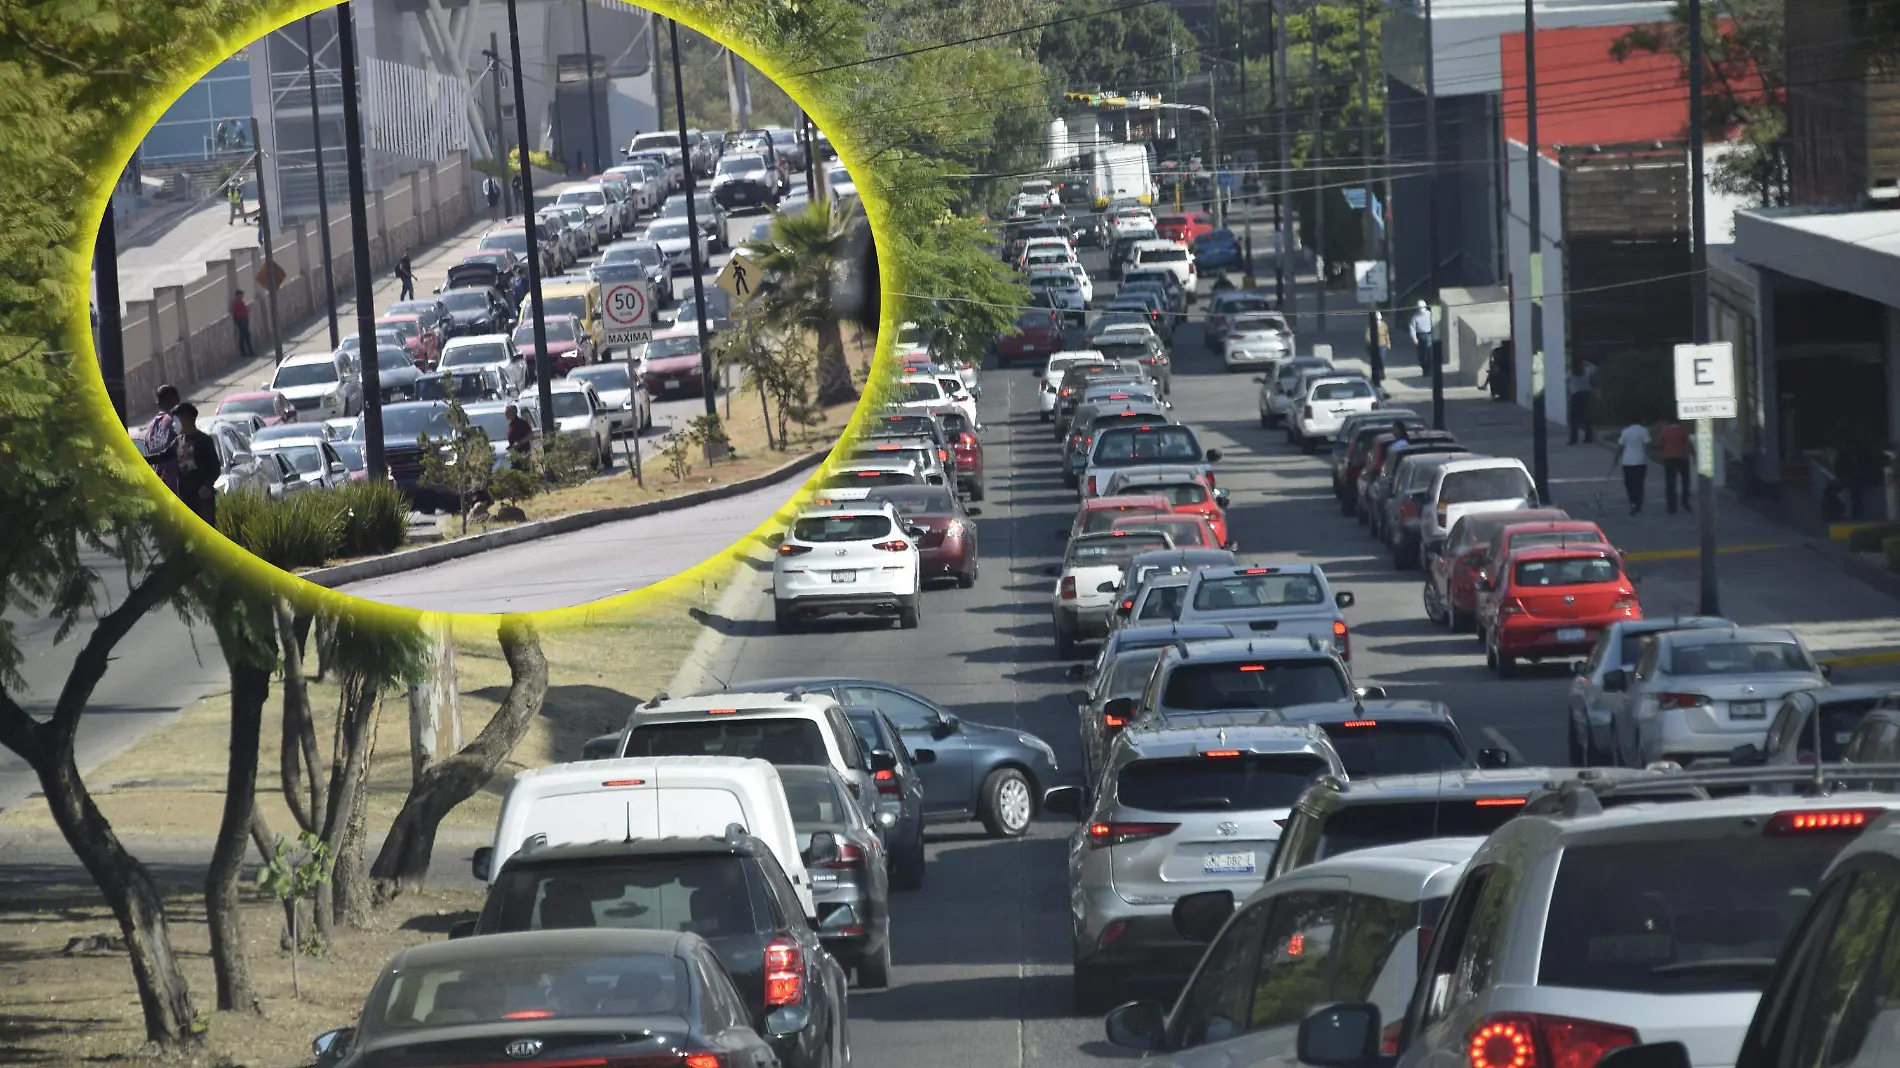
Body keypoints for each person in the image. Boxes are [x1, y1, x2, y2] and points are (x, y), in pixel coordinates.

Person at [172, 402, 221, 524]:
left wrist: (207, 485)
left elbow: (215, 467)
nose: (174, 424)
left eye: (176, 420)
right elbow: (162, 456)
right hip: (184, 498)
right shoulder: (178, 441)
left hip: (202, 501)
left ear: (186, 420)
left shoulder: (204, 440)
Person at [144, 384, 183, 491]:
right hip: (178, 487)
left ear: (158, 403)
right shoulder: (175, 421)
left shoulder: (150, 430)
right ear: (175, 400)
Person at [1610, 419, 1653, 516]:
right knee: (1639, 484)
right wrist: (1649, 456)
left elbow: (1620, 446)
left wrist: (1616, 458)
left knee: (1629, 484)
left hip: (1627, 461)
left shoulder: (1626, 431)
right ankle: (1638, 504)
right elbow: (1648, 444)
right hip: (1640, 461)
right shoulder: (1643, 430)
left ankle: (1632, 502)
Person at [1659, 419, 1693, 514]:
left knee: (1670, 483)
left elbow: (1661, 443)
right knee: (1685, 481)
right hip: (1682, 457)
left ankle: (1671, 506)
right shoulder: (1683, 430)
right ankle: (1685, 502)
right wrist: (1694, 454)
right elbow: (1688, 443)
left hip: (1669, 458)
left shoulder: (1664, 430)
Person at [1847, 437, 1885, 521]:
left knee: (1863, 503)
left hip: (1867, 483)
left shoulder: (1867, 455)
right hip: (1860, 483)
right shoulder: (1860, 455)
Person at [1566, 359, 1598, 445]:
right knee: (1587, 417)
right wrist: (1587, 363)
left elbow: (1566, 379)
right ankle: (1588, 438)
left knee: (1574, 419)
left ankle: (1573, 439)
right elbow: (1595, 369)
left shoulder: (1571, 373)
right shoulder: (1586, 371)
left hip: (1576, 395)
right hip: (1586, 394)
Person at [1408, 299, 1434, 374]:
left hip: (1428, 334)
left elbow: (1434, 324)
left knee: (1429, 353)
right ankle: (1424, 369)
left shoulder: (1429, 314)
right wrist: (1414, 338)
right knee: (1421, 355)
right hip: (1420, 336)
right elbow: (1412, 328)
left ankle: (1429, 369)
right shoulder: (1415, 317)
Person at [1365, 310, 1389, 387]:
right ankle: (1376, 375)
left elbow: (1386, 334)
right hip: (1375, 346)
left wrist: (1388, 343)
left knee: (1382, 359)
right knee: (1375, 360)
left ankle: (1382, 373)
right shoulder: (1370, 326)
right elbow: (1367, 336)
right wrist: (1370, 343)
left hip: (1383, 345)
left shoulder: (1384, 325)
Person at [231, 288, 255, 360]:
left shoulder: (239, 302)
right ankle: (247, 352)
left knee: (244, 336)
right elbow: (240, 313)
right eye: (241, 294)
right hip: (242, 321)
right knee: (246, 336)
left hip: (242, 321)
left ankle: (246, 352)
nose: (242, 296)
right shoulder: (238, 303)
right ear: (238, 295)